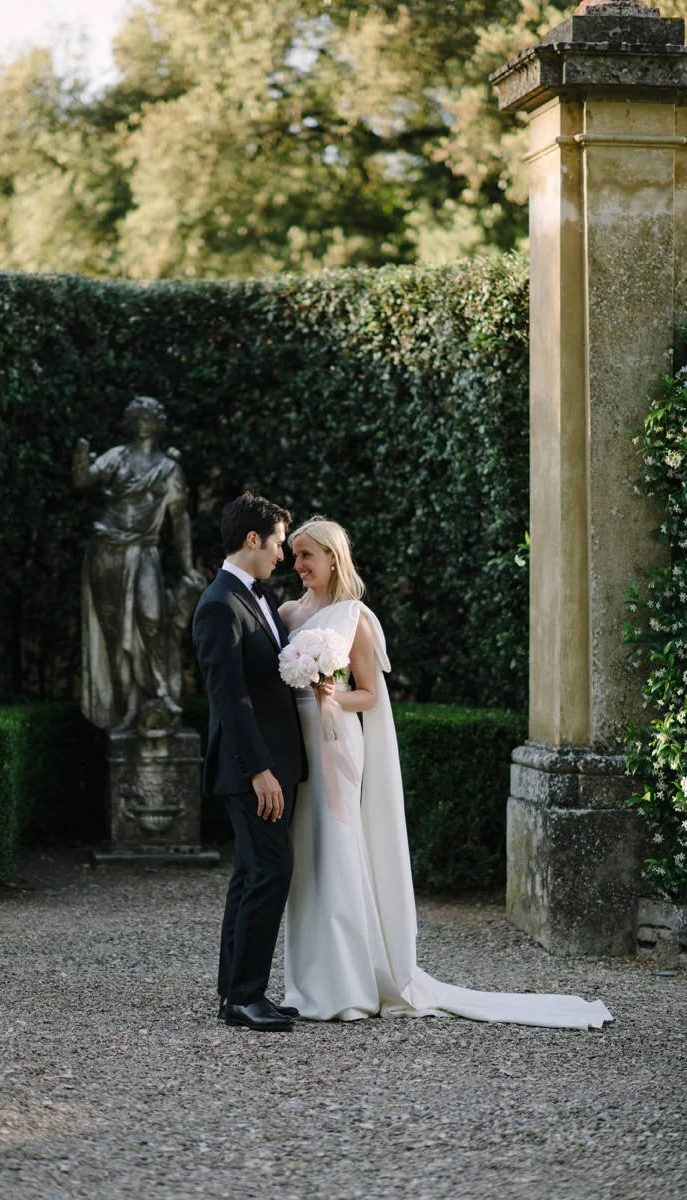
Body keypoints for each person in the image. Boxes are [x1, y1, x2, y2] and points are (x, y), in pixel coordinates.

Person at [279, 516, 613, 1030]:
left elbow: (369, 693)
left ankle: (347, 987)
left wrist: (330, 694)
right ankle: (309, 980)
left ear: (332, 558)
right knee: (306, 856)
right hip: (294, 746)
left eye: (307, 556)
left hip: (337, 742)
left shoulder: (356, 619)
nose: (298, 565)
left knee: (340, 850)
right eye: (296, 555)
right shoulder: (287, 613)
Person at [192, 493, 307, 1032]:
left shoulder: (254, 597)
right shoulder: (219, 604)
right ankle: (246, 996)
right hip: (252, 768)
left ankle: (234, 992)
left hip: (271, 763)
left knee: (250, 873)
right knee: (271, 870)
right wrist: (259, 769)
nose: (282, 555)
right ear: (253, 540)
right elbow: (228, 699)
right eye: (280, 543)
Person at [73, 395, 204, 736]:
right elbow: (83, 480)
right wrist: (81, 452)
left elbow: (180, 521)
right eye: (138, 415)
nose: (144, 421)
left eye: (150, 415)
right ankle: (128, 705)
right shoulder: (116, 457)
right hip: (107, 552)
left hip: (144, 553)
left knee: (151, 619)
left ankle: (159, 694)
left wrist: (188, 566)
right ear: (131, 421)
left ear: (159, 423)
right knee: (116, 630)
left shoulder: (169, 469)